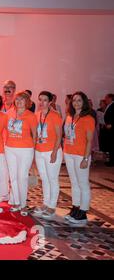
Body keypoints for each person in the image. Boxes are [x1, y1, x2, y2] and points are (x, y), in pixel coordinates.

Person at [63, 91, 95, 225]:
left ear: (84, 102)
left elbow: (89, 140)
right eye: (74, 100)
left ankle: (83, 212)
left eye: (79, 100)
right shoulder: (70, 116)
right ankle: (75, 207)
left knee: (83, 184)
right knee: (74, 182)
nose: (76, 103)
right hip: (69, 153)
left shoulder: (88, 118)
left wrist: (86, 159)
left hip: (81, 155)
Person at [5, 91, 38, 216]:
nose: (19, 102)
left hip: (25, 150)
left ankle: (23, 205)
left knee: (22, 177)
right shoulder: (9, 113)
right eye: (17, 99)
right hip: (10, 149)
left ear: (27, 102)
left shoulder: (30, 115)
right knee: (13, 177)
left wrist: (34, 152)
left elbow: (35, 134)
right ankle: (17, 202)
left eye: (22, 99)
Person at [32, 91, 63, 220]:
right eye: (40, 99)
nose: (42, 102)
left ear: (50, 102)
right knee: (44, 178)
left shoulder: (55, 115)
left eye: (45, 100)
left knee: (52, 178)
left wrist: (55, 152)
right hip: (39, 150)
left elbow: (59, 135)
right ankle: (45, 203)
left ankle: (52, 205)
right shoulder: (37, 114)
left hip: (51, 151)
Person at [103, 93, 114, 167]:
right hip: (109, 128)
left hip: (112, 129)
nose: (105, 100)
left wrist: (111, 124)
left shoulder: (113, 106)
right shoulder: (109, 106)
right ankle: (111, 160)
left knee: (112, 145)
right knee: (111, 145)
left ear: (110, 98)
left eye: (106, 98)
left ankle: (112, 162)